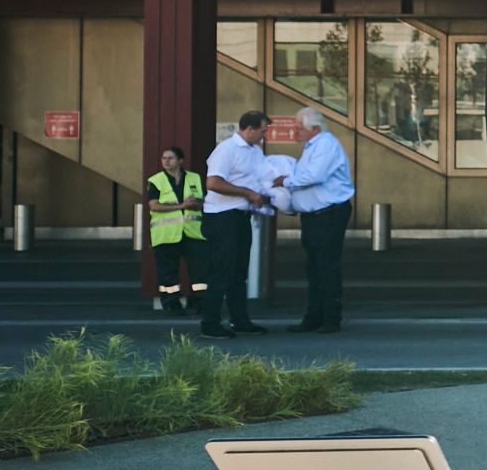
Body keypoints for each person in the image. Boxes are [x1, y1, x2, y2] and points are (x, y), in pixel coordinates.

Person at [197, 112, 271, 339]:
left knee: (239, 271)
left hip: (242, 215)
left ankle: (240, 320)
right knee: (222, 270)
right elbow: (213, 182)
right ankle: (210, 323)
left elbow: (260, 178)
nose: (264, 135)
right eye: (262, 130)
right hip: (222, 216)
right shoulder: (227, 149)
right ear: (249, 128)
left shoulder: (256, 152)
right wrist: (247, 192)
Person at [284, 108, 355, 334]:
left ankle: (331, 318)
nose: (294, 132)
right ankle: (315, 316)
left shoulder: (325, 144)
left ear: (314, 128)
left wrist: (284, 181)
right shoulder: (312, 147)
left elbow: (313, 176)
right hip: (315, 215)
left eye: (298, 128)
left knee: (326, 266)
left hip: (327, 214)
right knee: (314, 267)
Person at [143, 145, 206, 313]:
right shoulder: (156, 180)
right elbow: (153, 206)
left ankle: (200, 302)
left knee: (199, 270)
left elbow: (206, 202)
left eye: (170, 158)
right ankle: (171, 303)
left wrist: (196, 204)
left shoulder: (195, 179)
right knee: (168, 272)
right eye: (164, 158)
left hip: (193, 232)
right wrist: (183, 205)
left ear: (180, 161)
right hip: (166, 234)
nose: (166, 161)